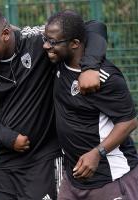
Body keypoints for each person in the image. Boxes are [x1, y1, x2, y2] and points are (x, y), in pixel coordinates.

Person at [0, 7, 107, 200]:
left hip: (45, 156)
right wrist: (8, 138)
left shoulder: (37, 40)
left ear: (5, 34)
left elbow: (93, 27)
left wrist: (90, 67)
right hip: (5, 161)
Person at [43, 10, 138, 200]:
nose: (46, 46)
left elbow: (129, 122)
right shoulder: (59, 62)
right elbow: (95, 25)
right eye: (45, 39)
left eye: (52, 42)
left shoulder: (106, 78)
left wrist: (97, 153)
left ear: (75, 43)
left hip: (110, 179)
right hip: (72, 180)